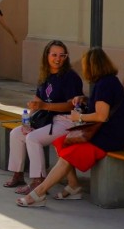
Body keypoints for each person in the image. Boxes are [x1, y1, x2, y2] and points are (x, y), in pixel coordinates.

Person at [17, 48, 124, 207]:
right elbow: (101, 104)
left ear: (92, 66)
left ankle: (38, 194)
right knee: (61, 142)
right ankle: (74, 186)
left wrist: (79, 117)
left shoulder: (105, 84)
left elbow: (101, 115)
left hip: (109, 138)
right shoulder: (106, 81)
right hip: (104, 133)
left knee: (67, 155)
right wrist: (84, 99)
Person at [5, 40, 83, 194]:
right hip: (45, 119)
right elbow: (38, 100)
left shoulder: (70, 77)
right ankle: (18, 174)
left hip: (65, 121)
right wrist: (28, 119)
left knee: (33, 138)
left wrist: (44, 107)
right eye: (54, 55)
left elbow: (70, 105)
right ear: (47, 55)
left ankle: (38, 181)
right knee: (16, 133)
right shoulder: (45, 74)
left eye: (62, 55)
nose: (58, 59)